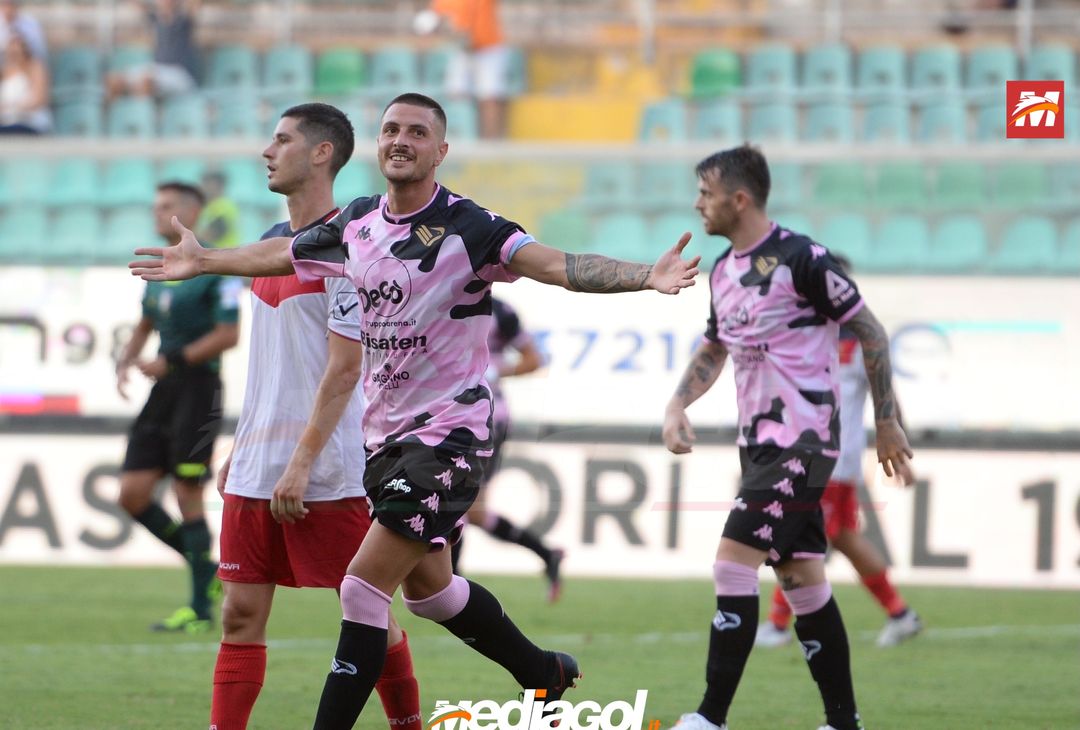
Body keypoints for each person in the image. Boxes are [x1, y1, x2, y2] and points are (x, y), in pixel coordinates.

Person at [130, 92, 699, 729]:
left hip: (450, 434)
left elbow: (557, 265)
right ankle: (542, 671)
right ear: (378, 144)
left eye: (418, 132)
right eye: (392, 129)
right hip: (384, 441)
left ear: (440, 150)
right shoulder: (358, 223)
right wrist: (204, 261)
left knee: (361, 589)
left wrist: (645, 275)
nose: (401, 140)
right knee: (431, 595)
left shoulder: (471, 225)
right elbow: (284, 255)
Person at [661, 144, 912, 730]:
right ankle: (843, 721)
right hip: (759, 446)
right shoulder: (722, 270)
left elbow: (869, 330)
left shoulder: (804, 259)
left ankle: (709, 718)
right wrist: (677, 402)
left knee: (732, 563)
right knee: (803, 582)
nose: (698, 203)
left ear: (739, 199)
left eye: (706, 193)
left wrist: (886, 420)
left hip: (804, 441)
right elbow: (716, 347)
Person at [210, 103, 421, 730]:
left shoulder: (352, 248)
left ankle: (407, 724)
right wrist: (244, 447)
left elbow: (344, 369)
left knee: (367, 612)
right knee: (239, 615)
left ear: (322, 153)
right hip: (259, 463)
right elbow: (274, 362)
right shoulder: (270, 244)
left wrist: (301, 462)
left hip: (330, 467)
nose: (267, 151)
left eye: (282, 140)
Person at [756, 255, 922, 651]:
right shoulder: (805, 332)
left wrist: (900, 449)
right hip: (811, 455)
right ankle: (900, 614)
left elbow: (886, 395)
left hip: (833, 458)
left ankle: (777, 624)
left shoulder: (859, 336)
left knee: (800, 535)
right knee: (843, 536)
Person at [116, 181, 241, 634]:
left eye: (165, 206)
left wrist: (170, 360)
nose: (157, 212)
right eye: (155, 205)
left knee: (187, 492)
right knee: (132, 494)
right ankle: (208, 571)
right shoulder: (160, 267)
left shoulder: (218, 268)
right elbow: (147, 319)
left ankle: (200, 609)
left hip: (198, 390)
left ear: (189, 212)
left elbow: (229, 335)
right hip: (164, 391)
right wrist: (127, 357)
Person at [450, 296, 565, 602]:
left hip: (487, 418)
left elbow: (533, 359)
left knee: (460, 501)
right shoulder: (438, 296)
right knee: (475, 512)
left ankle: (451, 586)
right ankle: (547, 553)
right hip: (449, 414)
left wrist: (496, 372)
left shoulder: (500, 311)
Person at [417, 0, 513, 139]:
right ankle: (463, 138)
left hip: (488, 48)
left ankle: (491, 141)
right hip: (463, 50)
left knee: (490, 96)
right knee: (457, 95)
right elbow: (433, 20)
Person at [106, 0, 199, 101]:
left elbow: (194, 4)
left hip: (180, 74)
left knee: (146, 81)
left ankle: (142, 109)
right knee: (115, 79)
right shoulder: (156, 19)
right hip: (158, 69)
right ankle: (116, 109)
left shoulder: (184, 20)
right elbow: (139, 5)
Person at [0, 31, 51, 135]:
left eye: (18, 53)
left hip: (29, 122)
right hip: (6, 121)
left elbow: (39, 99)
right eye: (11, 53)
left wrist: (16, 109)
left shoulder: (34, 68)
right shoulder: (3, 72)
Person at [198, 171, 241, 249]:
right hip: (217, 251)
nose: (205, 188)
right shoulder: (208, 206)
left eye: (209, 184)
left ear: (220, 186)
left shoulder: (223, 205)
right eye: (204, 183)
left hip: (225, 252)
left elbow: (214, 232)